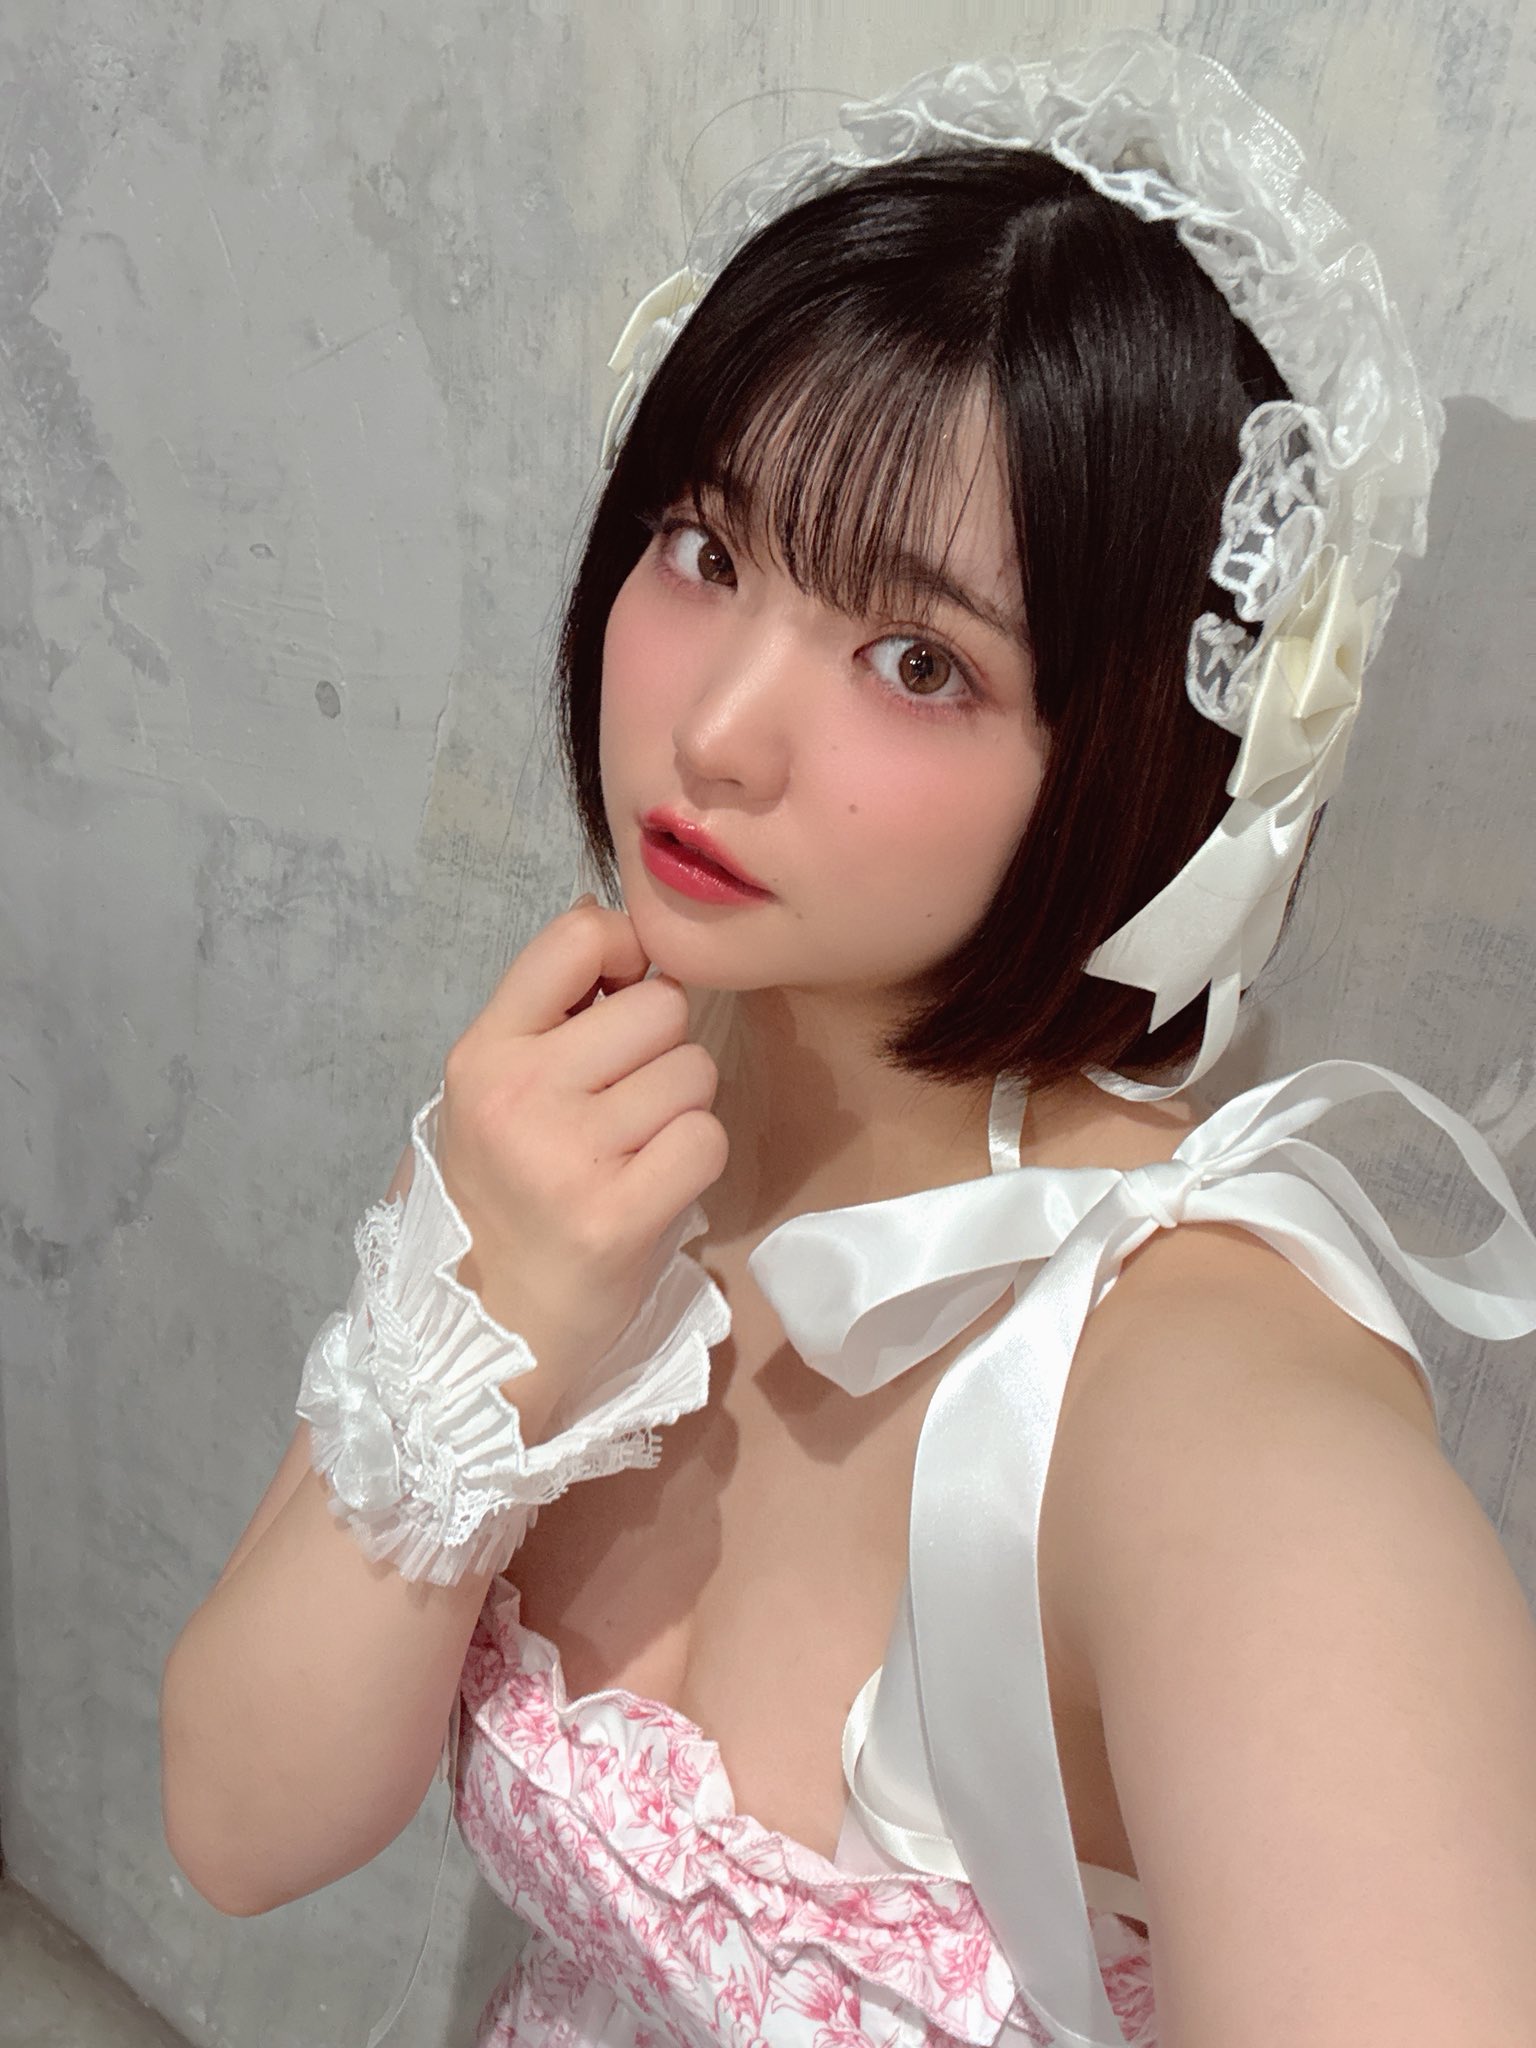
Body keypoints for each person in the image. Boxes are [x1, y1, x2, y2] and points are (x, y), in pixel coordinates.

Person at [159, 33, 1536, 2048]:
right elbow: (238, 1825)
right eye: (704, 548)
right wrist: (485, 1332)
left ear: (1151, 765)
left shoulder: (1230, 1443)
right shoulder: (583, 1109)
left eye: (917, 659)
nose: (715, 731)